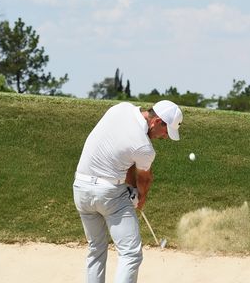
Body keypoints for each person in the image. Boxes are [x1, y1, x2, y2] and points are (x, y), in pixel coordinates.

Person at [72, 100, 183, 283]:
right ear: (156, 121)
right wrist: (139, 198)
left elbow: (126, 158)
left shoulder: (121, 108)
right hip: (108, 194)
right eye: (165, 132)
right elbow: (144, 179)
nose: (165, 137)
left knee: (96, 249)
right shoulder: (145, 149)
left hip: (80, 188)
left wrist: (131, 190)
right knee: (131, 254)